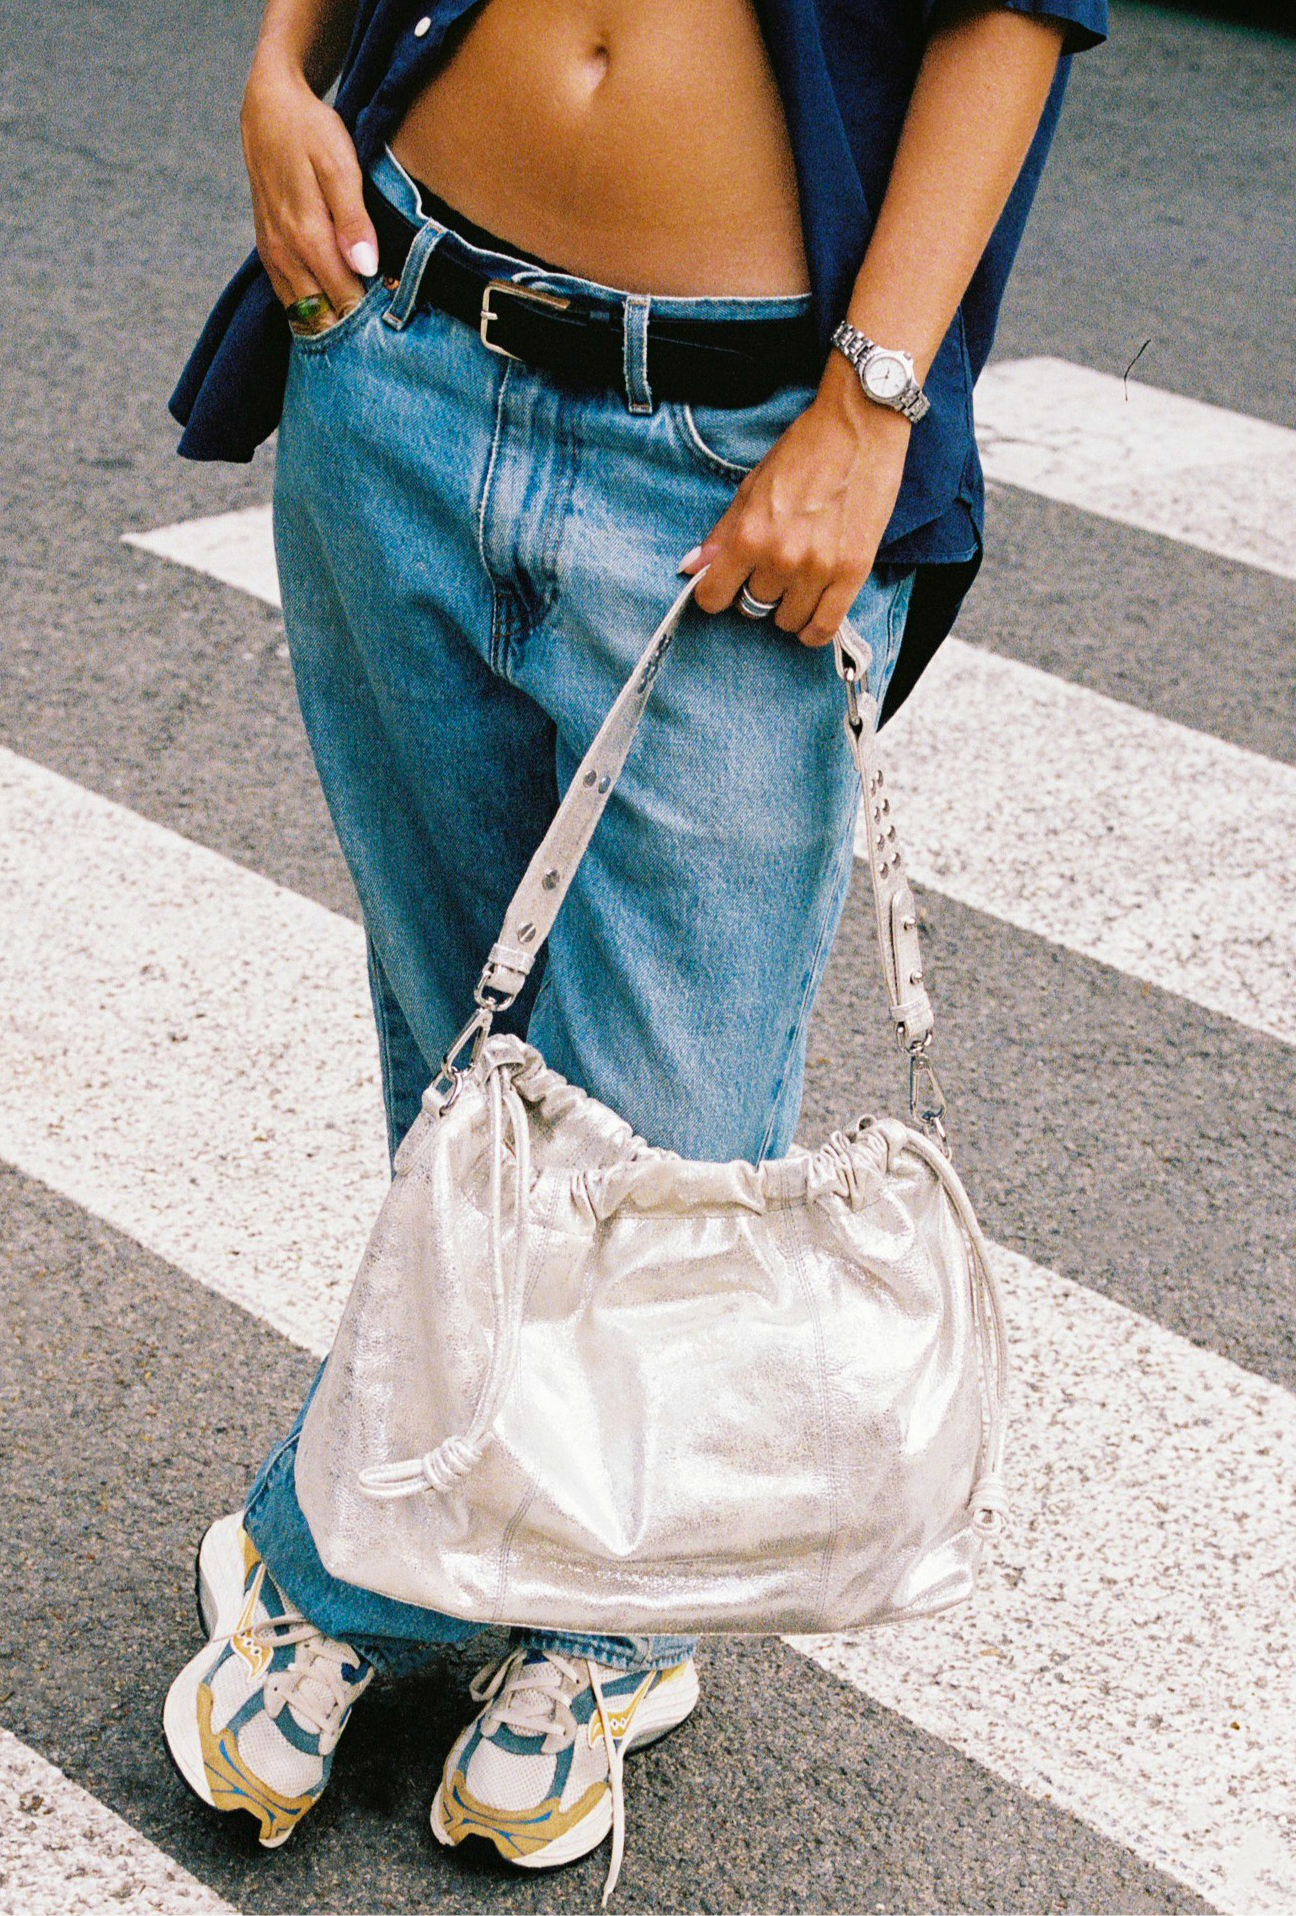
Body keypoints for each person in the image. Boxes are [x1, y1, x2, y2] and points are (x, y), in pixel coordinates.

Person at [162, 0, 1106, 1890]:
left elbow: (1014, 10)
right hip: (404, 330)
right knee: (456, 1047)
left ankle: (455, 1568)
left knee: (672, 1097)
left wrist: (870, 406)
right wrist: (280, 70)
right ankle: (452, 1557)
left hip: (748, 429)